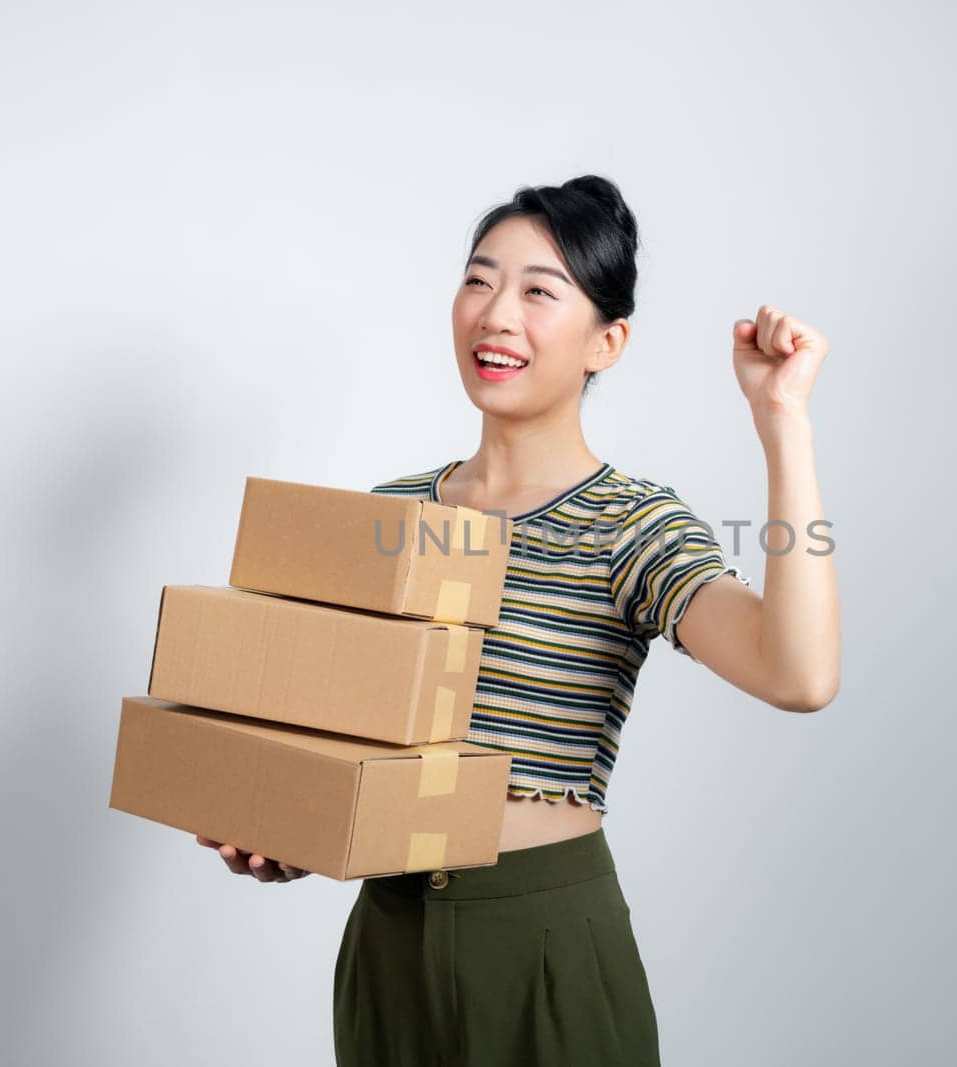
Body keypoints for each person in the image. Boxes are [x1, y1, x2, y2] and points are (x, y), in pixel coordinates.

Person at [197, 174, 841, 1065]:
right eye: (479, 280)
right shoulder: (390, 514)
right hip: (389, 942)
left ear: (606, 342)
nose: (497, 314)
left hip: (543, 942)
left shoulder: (629, 523)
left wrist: (783, 421)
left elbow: (798, 674)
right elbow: (343, 755)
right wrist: (285, 835)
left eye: (540, 290)